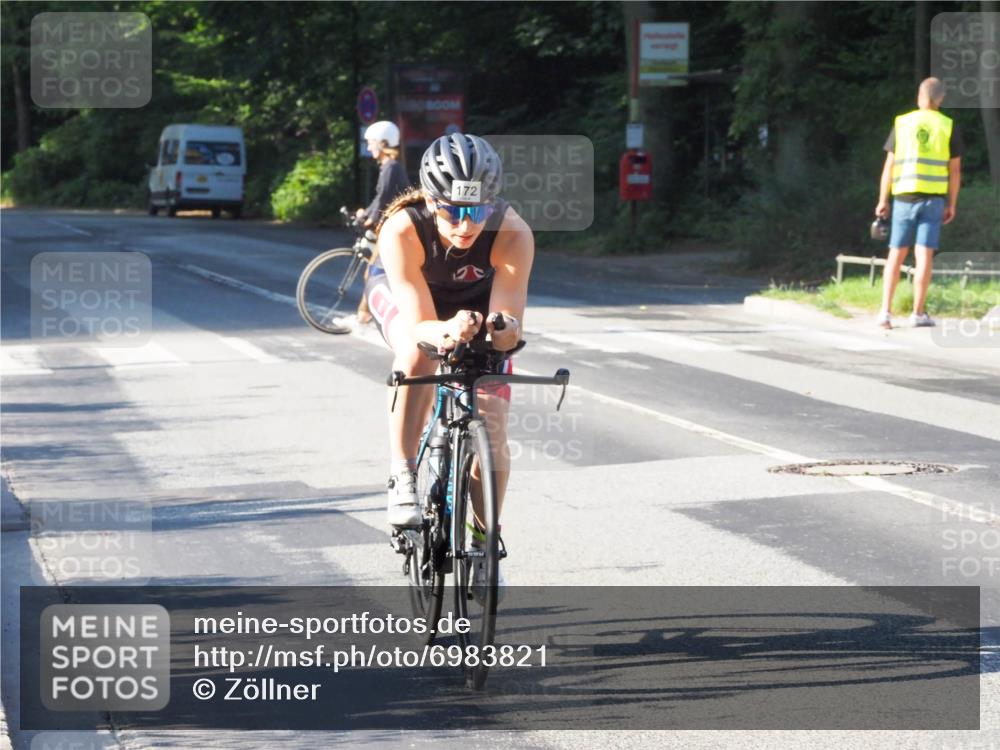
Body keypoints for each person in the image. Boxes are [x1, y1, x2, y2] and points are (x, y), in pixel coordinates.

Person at [363, 133, 532, 593]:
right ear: (430, 200)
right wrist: (447, 331)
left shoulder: (512, 231)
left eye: (476, 211)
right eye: (452, 212)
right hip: (409, 302)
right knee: (417, 351)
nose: (465, 225)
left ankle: (485, 535)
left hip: (475, 304)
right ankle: (402, 474)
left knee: (492, 422)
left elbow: (510, 329)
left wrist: (501, 329)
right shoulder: (402, 228)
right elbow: (420, 323)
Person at [875, 77, 963, 329]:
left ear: (920, 96)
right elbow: (955, 170)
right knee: (924, 255)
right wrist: (952, 203)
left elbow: (889, 166)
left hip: (903, 197)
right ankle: (917, 313)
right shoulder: (948, 126)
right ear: (940, 99)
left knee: (896, 253)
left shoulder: (902, 123)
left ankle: (885, 313)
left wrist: (883, 200)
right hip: (933, 199)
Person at [354, 121, 410, 323]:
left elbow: (384, 197)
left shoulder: (391, 167)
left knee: (373, 270)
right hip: (391, 226)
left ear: (383, 143)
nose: (369, 148)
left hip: (396, 229)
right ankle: (364, 314)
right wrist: (366, 213)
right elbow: (380, 198)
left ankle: (365, 314)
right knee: (374, 270)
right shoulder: (389, 166)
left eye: (371, 143)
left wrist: (367, 217)